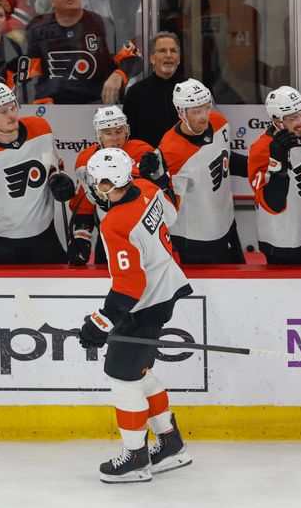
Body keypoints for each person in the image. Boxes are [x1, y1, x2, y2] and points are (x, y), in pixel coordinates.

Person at [78, 147, 192, 483]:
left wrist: (102, 321)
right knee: (140, 374)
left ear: (106, 184)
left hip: (143, 304)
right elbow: (170, 215)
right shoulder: (147, 187)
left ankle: (136, 458)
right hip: (164, 292)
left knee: (121, 377)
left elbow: (130, 282)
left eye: (97, 184)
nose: (95, 188)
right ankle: (170, 444)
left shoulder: (115, 222)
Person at [0, 82, 74, 264]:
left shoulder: (41, 129)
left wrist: (57, 179)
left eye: (13, 107)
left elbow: (51, 166)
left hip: (44, 236)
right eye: (2, 111)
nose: (11, 114)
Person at [155, 78, 246, 264]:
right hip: (198, 239)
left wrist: (263, 165)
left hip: (227, 224)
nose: (204, 116)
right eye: (197, 111)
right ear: (181, 113)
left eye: (206, 107)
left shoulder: (219, 122)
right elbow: (168, 209)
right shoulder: (171, 152)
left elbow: (224, 158)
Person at [24, 0, 142, 104]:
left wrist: (118, 75)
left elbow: (134, 58)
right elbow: (29, 75)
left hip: (97, 106)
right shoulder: (39, 32)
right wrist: (41, 98)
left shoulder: (103, 26)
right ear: (52, 1)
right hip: (53, 108)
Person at [248, 87, 301, 265]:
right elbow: (273, 203)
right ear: (276, 119)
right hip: (284, 240)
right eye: (292, 118)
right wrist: (278, 165)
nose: (300, 122)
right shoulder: (260, 150)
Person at [68, 105, 154, 265]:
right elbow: (84, 205)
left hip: (141, 234)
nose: (115, 138)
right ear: (98, 136)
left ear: (127, 131)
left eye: (119, 131)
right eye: (108, 133)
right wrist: (81, 238)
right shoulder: (86, 160)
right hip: (108, 235)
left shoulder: (142, 151)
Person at [122, 31, 183, 148]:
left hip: (186, 162)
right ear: (152, 58)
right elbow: (128, 136)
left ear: (179, 59)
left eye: (173, 51)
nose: (169, 55)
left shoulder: (193, 89)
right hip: (147, 161)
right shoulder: (135, 93)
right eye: (162, 51)